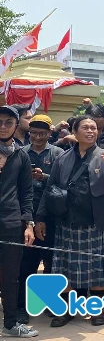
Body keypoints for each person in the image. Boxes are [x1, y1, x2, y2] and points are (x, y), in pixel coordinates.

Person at [35, 115, 104, 328]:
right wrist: (40, 217)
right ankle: (67, 310)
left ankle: (96, 310)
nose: (90, 131)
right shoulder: (62, 158)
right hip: (66, 221)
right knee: (65, 268)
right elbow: (51, 190)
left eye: (93, 128)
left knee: (95, 268)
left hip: (94, 221)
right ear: (74, 133)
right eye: (85, 128)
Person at [17, 114, 64, 324]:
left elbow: (63, 184)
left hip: (51, 217)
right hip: (25, 215)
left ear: (50, 133)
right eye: (34, 132)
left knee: (51, 261)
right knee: (26, 263)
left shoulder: (59, 154)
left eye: (42, 133)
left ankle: (49, 301)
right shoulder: (19, 153)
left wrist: (43, 177)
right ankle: (22, 305)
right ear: (29, 133)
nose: (37, 136)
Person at [0, 105, 38, 338]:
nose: (3, 126)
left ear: (16, 126)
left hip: (11, 223)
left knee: (10, 275)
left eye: (8, 122)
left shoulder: (21, 154)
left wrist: (29, 224)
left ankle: (11, 324)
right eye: (0, 121)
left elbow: (27, 193)